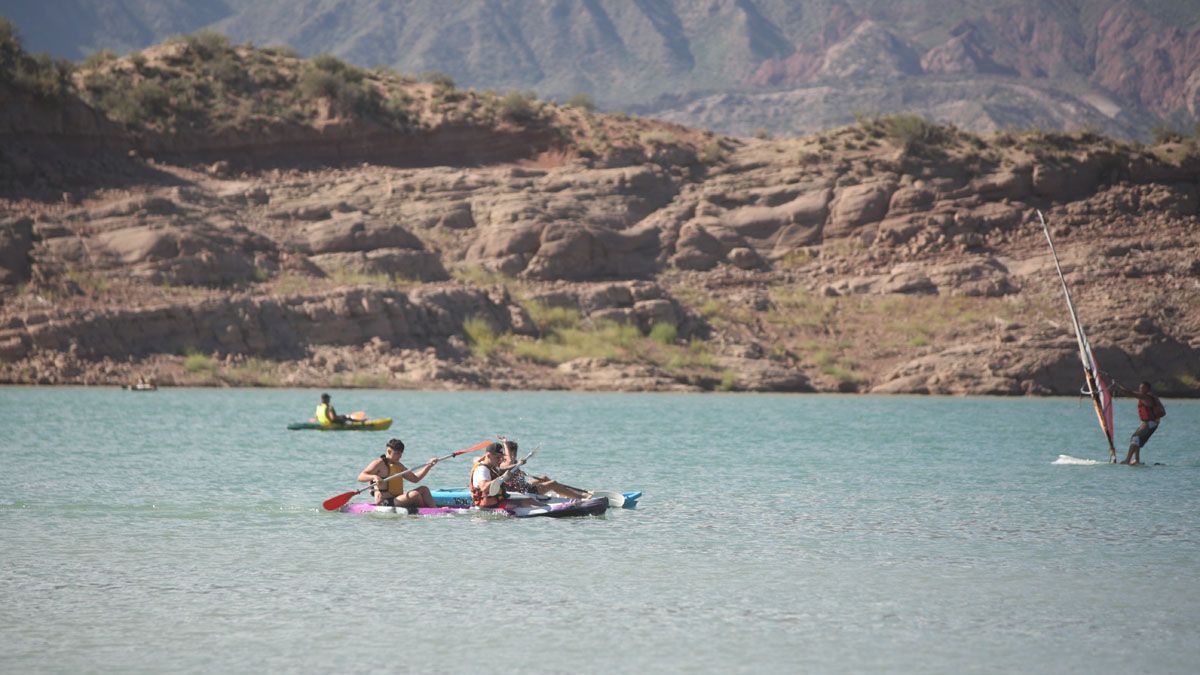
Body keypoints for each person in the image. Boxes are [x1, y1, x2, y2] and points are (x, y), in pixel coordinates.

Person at [357, 438, 440, 508]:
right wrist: (374, 477)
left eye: (401, 453)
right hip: (385, 502)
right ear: (389, 451)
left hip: (397, 499)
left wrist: (429, 466)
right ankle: (426, 510)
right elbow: (361, 476)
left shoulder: (399, 465)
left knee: (424, 489)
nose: (400, 456)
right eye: (397, 453)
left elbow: (415, 479)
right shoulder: (379, 463)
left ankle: (435, 510)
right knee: (415, 494)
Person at [498, 438, 590, 500]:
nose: (514, 455)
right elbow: (509, 460)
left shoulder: (511, 462)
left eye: (515, 453)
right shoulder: (505, 463)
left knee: (544, 477)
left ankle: (568, 493)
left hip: (524, 486)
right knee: (552, 483)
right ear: (507, 453)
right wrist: (505, 443)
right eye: (513, 453)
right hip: (523, 492)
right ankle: (580, 497)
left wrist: (520, 471)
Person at [469, 442, 540, 509]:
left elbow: (501, 472)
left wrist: (517, 464)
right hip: (488, 506)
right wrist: (503, 477)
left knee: (529, 500)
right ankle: (547, 511)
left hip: (497, 502)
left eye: (501, 457)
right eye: (497, 457)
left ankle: (546, 509)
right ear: (488, 456)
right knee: (527, 502)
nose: (500, 460)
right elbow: (484, 487)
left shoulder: (491, 466)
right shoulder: (482, 469)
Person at [1114, 380, 1166, 465]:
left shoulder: (1146, 397)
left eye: (1142, 388)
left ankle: (1128, 460)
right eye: (1140, 387)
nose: (1140, 389)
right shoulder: (1146, 396)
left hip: (1151, 422)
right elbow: (1131, 393)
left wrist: (1117, 386)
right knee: (1136, 439)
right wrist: (1119, 387)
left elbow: (1131, 393)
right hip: (1150, 422)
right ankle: (1137, 460)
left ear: (1147, 388)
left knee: (1135, 438)